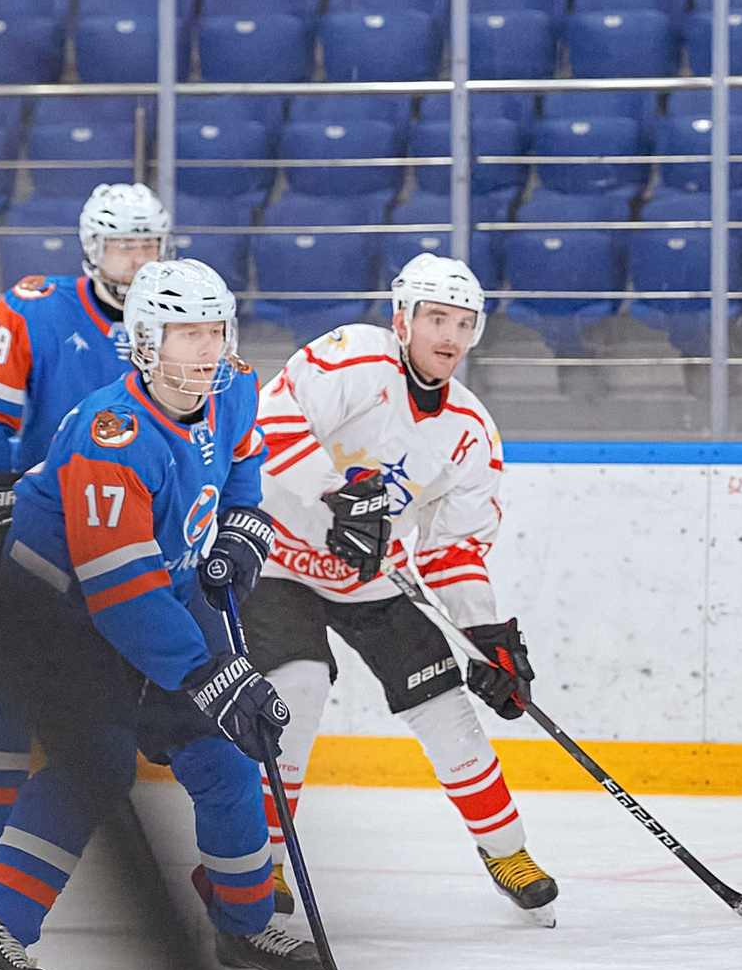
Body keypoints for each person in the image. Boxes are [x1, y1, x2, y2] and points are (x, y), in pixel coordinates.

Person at [0, 259, 321, 970]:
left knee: (224, 755)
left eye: (215, 328)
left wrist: (244, 536)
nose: (207, 347)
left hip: (147, 602)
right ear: (145, 342)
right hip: (56, 617)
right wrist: (210, 674)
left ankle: (245, 930)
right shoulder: (109, 437)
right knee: (99, 762)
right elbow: (120, 591)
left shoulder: (234, 388)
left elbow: (244, 465)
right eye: (188, 331)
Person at [239, 253, 558, 923]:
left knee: (446, 702)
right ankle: (262, 861)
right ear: (402, 319)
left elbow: (451, 548)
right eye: (435, 317)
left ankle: (506, 850)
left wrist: (485, 639)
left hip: (369, 574)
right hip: (277, 557)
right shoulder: (354, 357)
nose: (448, 335)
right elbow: (269, 419)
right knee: (295, 687)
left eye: (463, 323)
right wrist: (335, 495)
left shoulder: (471, 431)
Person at [0, 184, 170, 926]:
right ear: (89, 248)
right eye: (123, 246)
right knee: (2, 688)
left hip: (138, 542)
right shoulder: (35, 307)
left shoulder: (182, 321)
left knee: (155, 707)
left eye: (149, 245)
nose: (137, 262)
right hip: (44, 534)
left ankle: (227, 869)